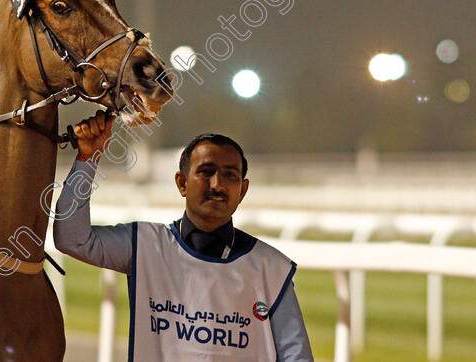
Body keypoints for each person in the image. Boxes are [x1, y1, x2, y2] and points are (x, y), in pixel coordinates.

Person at [54, 111, 313, 360]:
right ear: (182, 182)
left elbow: (296, 356)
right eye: (205, 171)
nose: (218, 184)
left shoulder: (272, 267)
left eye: (230, 175)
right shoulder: (144, 245)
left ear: (242, 191)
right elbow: (71, 238)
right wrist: (88, 159)